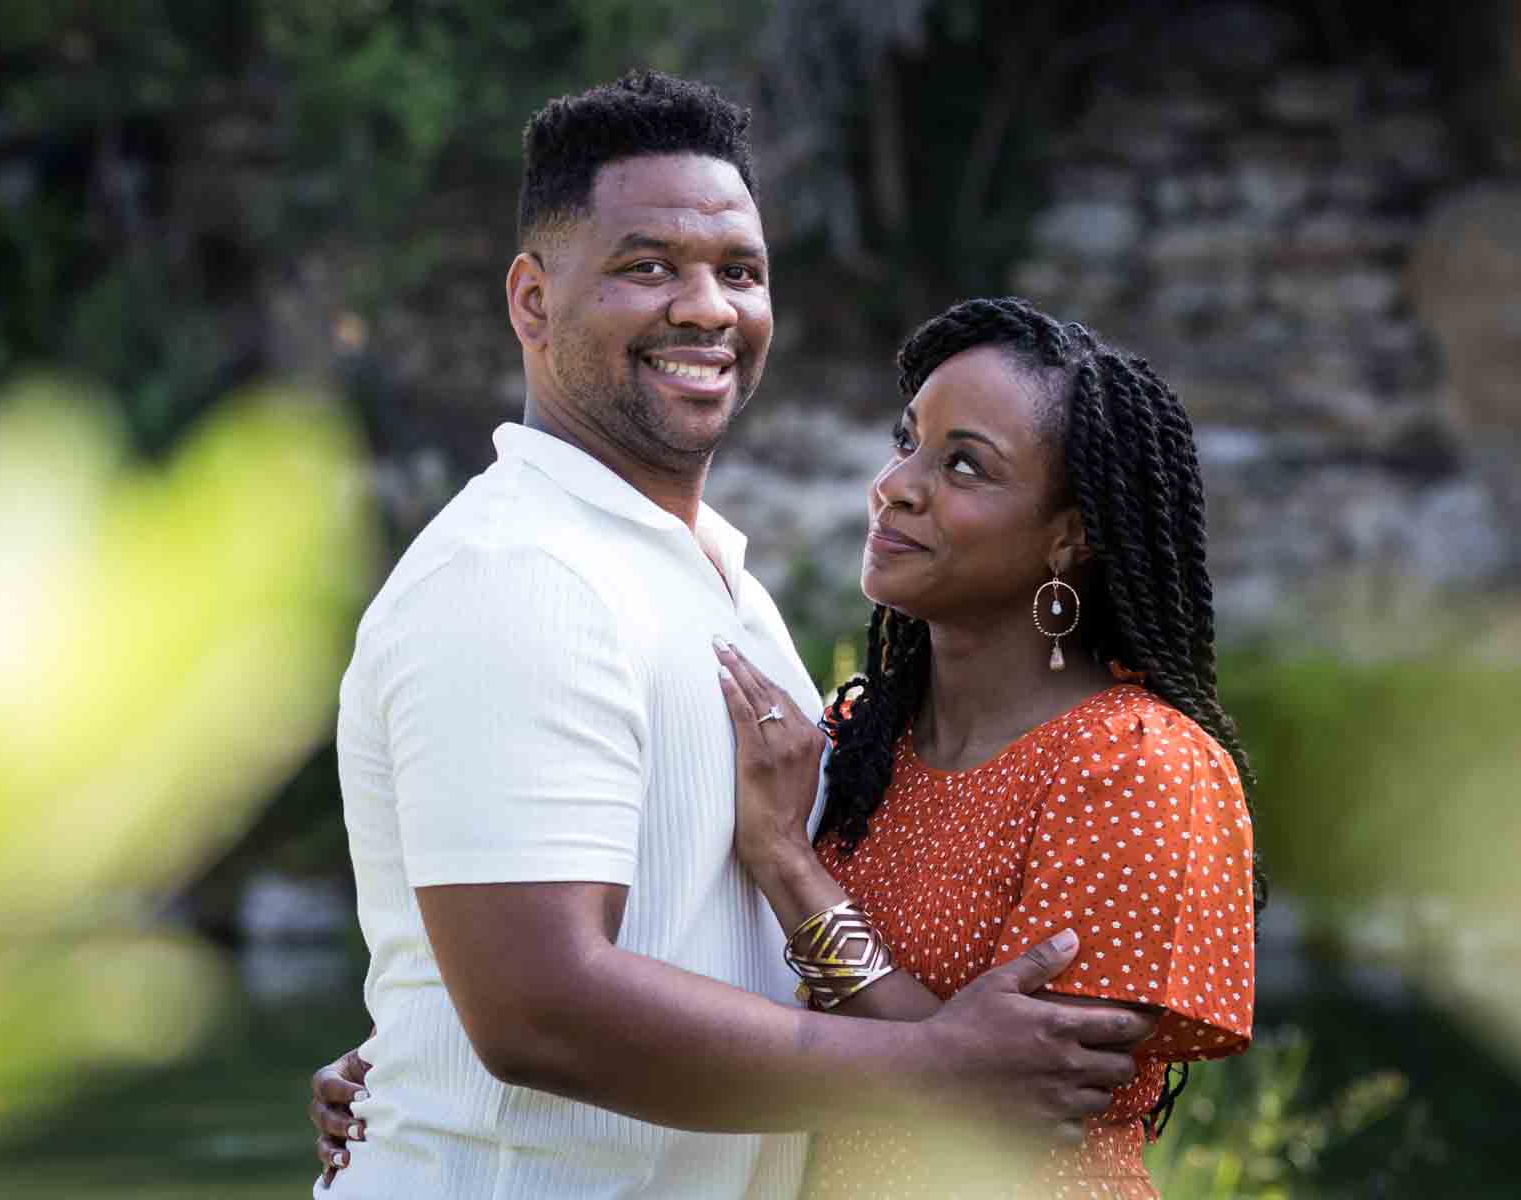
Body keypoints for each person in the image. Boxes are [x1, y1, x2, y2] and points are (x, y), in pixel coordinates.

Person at [310, 73, 1158, 1199]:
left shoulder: (716, 583)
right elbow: (536, 1009)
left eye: (739, 271)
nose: (707, 307)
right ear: (532, 300)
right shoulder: (518, 576)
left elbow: (703, 930)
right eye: (647, 265)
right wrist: (927, 1066)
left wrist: (418, 1040)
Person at [708, 297, 1260, 1197]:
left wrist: (786, 864)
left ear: (1071, 534)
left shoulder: (1137, 766)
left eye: (964, 465)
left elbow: (1007, 1100)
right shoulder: (859, 739)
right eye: (907, 441)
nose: (896, 484)